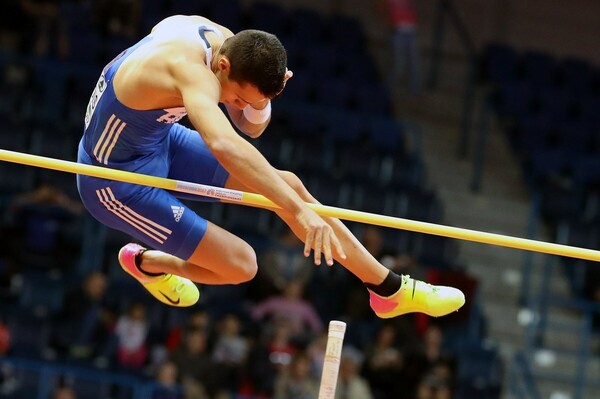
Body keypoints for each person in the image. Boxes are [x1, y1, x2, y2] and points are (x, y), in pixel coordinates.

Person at [76, 14, 464, 319]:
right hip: (114, 180)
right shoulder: (190, 70)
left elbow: (250, 127)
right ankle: (146, 263)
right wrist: (298, 214)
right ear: (223, 67)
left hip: (157, 140)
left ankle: (388, 290)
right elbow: (227, 143)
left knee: (289, 185)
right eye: (240, 98)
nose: (240, 106)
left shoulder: (223, 43)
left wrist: (262, 101)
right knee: (242, 265)